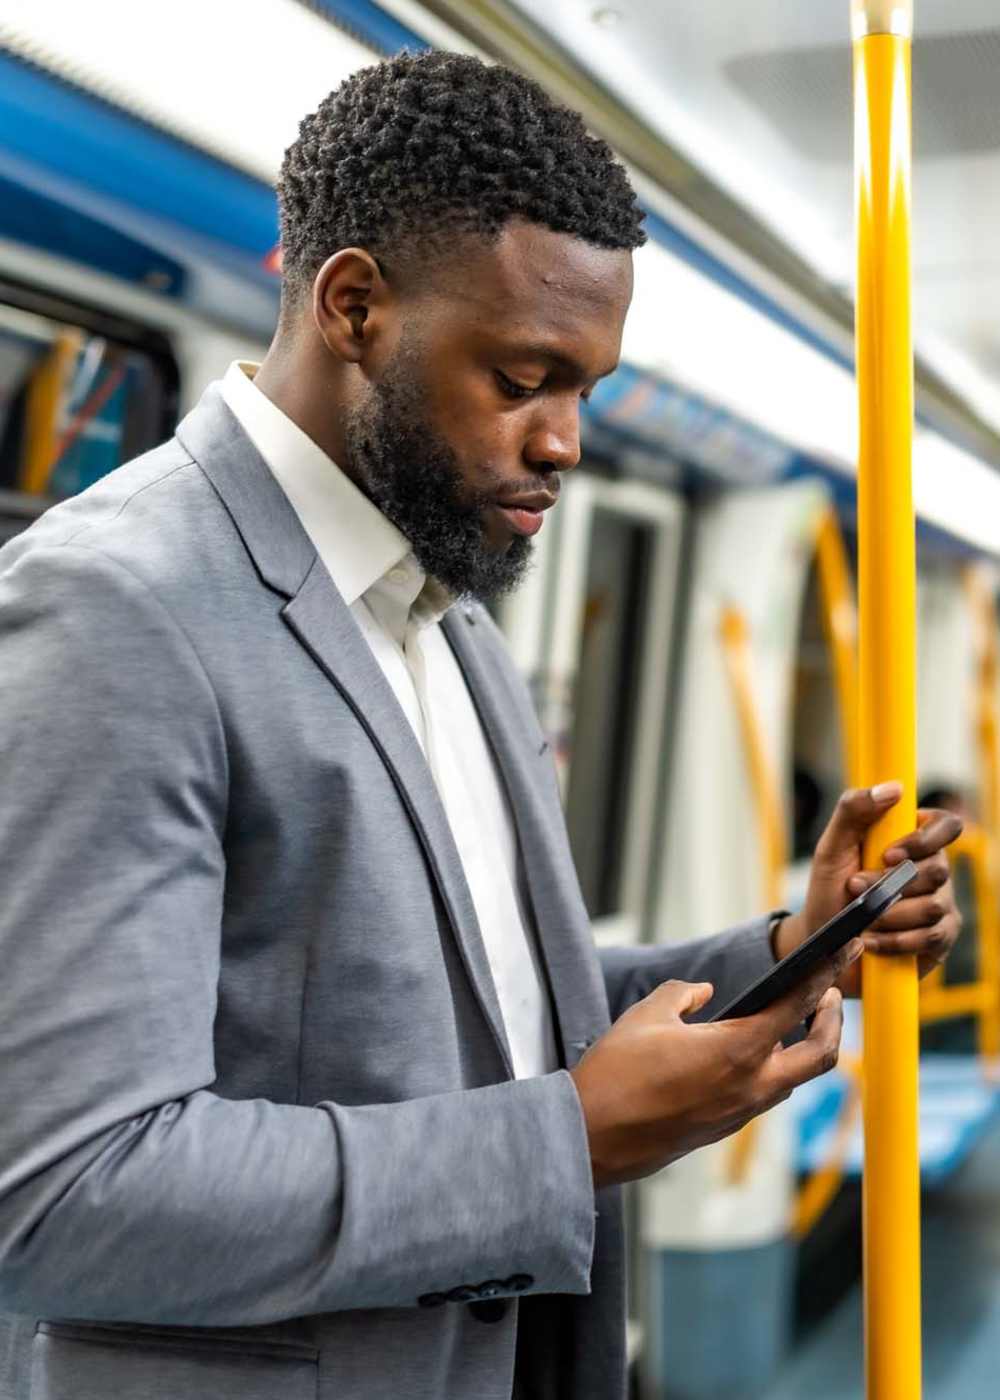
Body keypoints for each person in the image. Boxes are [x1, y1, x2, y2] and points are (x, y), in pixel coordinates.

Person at [0, 52, 962, 1400]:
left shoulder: (451, 623)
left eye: (586, 392)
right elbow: (64, 1196)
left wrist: (786, 952)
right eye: (523, 378)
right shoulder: (118, 606)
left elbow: (493, 1013)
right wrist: (567, 1142)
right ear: (354, 307)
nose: (565, 443)